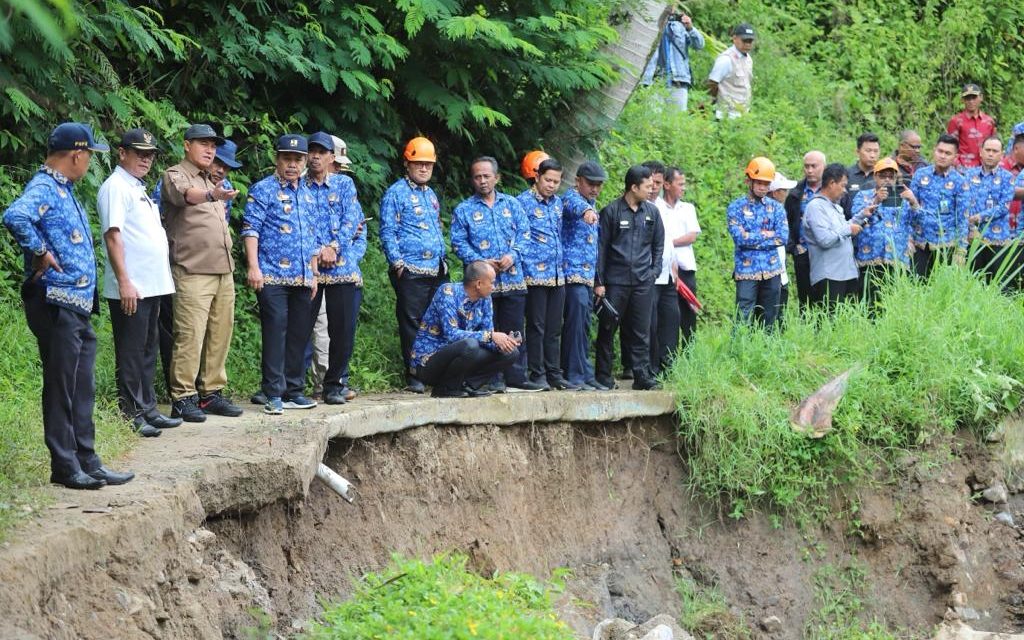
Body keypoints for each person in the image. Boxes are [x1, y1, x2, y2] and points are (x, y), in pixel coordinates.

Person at [3, 122, 134, 490]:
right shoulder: (44, 186)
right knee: (62, 385)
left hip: (76, 304)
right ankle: (64, 465)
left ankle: (87, 460)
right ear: (77, 154)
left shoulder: (64, 188)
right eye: (90, 155)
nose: (90, 162)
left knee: (81, 385)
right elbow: (14, 216)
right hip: (55, 301)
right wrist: (40, 251)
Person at [97, 128, 179, 438]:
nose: (145, 159)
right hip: (132, 285)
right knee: (131, 350)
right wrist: (124, 282)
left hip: (152, 283)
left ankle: (147, 409)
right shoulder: (115, 186)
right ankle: (130, 412)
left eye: (150, 154)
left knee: (148, 348)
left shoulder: (137, 187)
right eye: (139, 153)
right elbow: (113, 235)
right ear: (122, 153)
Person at [155, 137, 242, 396]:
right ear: (186, 145)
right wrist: (210, 194)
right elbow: (184, 196)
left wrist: (214, 191)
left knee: (220, 334)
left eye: (213, 147)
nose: (210, 153)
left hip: (223, 270)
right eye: (204, 145)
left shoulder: (214, 181)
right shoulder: (175, 175)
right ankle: (184, 396)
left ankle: (211, 392)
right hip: (192, 269)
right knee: (190, 336)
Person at [242, 134, 321, 414]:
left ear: (304, 162)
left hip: (302, 277)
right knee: (275, 332)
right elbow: (251, 229)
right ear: (277, 159)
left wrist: (313, 273)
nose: (292, 164)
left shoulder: (309, 194)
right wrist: (254, 266)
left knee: (299, 334)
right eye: (287, 158)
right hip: (272, 275)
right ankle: (272, 392)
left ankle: (293, 390)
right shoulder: (262, 189)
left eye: (297, 159)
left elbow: (313, 237)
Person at [450, 156, 536, 392]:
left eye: (486, 176)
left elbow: (526, 234)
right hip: (482, 285)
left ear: (496, 177)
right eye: (477, 177)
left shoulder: (512, 205)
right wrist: (479, 261)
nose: (482, 181)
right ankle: (491, 378)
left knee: (515, 328)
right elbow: (458, 242)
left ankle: (517, 376)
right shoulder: (464, 209)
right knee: (488, 331)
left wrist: (513, 255)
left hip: (513, 279)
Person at [379, 136, 449, 393]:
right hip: (411, 269)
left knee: (437, 321)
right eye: (418, 163)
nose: (423, 168)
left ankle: (436, 371)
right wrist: (397, 263)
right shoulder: (396, 192)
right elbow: (387, 230)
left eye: (428, 165)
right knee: (412, 323)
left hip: (436, 268)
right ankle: (415, 375)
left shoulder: (430, 193)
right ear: (407, 164)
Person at [594, 165, 664, 390]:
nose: (652, 189)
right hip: (616, 282)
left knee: (640, 330)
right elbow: (601, 249)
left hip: (643, 281)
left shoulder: (652, 212)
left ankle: (641, 376)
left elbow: (658, 245)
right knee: (607, 327)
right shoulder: (611, 211)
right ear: (633, 187)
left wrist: (654, 272)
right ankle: (603, 375)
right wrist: (599, 282)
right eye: (647, 186)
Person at [308, 132, 366, 405]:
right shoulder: (298, 185)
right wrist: (319, 252)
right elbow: (300, 222)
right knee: (301, 328)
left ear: (332, 157)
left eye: (322, 151)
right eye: (313, 151)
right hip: (310, 268)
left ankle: (335, 385)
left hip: (342, 268)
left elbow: (352, 220)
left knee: (342, 331)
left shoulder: (344, 184)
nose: (317, 156)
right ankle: (291, 385)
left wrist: (334, 248)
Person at [410, 261, 521, 398]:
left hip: (462, 359)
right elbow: (452, 334)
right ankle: (445, 388)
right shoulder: (447, 293)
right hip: (429, 363)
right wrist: (491, 336)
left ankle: (468, 385)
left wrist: (504, 342)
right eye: (492, 282)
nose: (494, 286)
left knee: (511, 353)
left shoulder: (485, 299)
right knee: (470, 345)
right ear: (479, 284)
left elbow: (487, 337)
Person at [518, 158, 577, 390]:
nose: (552, 185)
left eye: (556, 181)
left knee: (554, 328)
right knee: (536, 326)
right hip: (534, 274)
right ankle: (537, 372)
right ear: (537, 177)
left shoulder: (557, 204)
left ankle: (554, 373)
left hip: (557, 274)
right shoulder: (522, 202)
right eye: (548, 180)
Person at [560, 160, 608, 391]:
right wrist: (586, 211)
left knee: (584, 326)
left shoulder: (592, 203)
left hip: (587, 277)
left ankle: (583, 372)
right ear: (578, 181)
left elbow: (593, 248)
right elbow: (573, 205)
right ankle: (573, 375)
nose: (595, 189)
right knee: (575, 325)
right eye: (591, 184)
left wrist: (598, 281)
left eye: (599, 185)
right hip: (572, 275)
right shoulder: (571, 199)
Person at [727, 157, 788, 327]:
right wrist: (768, 235)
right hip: (746, 270)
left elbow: (782, 237)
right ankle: (739, 351)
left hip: (772, 269)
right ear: (749, 181)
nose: (763, 187)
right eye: (759, 183)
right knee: (743, 316)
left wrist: (751, 235)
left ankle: (767, 351)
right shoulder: (736, 207)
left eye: (766, 184)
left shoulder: (776, 208)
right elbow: (739, 238)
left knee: (770, 317)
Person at [652, 166, 700, 372]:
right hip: (664, 271)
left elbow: (692, 236)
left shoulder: (687, 208)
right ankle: (665, 361)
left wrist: (668, 242)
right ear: (667, 185)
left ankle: (690, 359)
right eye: (680, 184)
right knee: (668, 316)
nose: (683, 188)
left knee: (689, 315)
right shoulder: (656, 207)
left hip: (686, 268)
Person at [850, 157, 916, 304]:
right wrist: (876, 201)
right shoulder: (863, 195)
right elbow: (856, 217)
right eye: (883, 176)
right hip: (870, 260)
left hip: (897, 259)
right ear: (875, 176)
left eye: (891, 176)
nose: (887, 180)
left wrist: (913, 202)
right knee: (869, 302)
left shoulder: (903, 197)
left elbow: (918, 222)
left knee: (893, 304)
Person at [909, 133, 970, 277]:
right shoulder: (920, 175)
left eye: (948, 153)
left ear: (955, 157)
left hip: (946, 244)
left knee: (942, 289)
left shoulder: (960, 182)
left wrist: (961, 251)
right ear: (934, 150)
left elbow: (962, 219)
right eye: (940, 151)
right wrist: (908, 237)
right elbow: (909, 209)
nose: (942, 156)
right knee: (916, 287)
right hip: (920, 243)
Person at [803, 163, 863, 309]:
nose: (844, 191)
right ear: (831, 183)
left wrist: (862, 215)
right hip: (829, 276)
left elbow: (841, 229)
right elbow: (825, 239)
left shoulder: (835, 207)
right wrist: (849, 229)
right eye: (842, 186)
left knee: (848, 322)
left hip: (846, 273)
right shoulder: (815, 206)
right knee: (831, 322)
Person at [966, 136, 1016, 282]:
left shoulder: (1008, 178)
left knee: (997, 283)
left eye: (995, 151)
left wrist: (978, 217)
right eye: (987, 150)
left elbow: (1004, 207)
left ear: (1001, 155)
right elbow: (963, 202)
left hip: (997, 239)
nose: (990, 154)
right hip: (972, 239)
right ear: (980, 152)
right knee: (973, 281)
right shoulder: (968, 175)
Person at [640, 5, 705, 111]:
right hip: (654, 82)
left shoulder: (680, 25)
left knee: (677, 124)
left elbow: (699, 45)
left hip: (678, 82)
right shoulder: (647, 21)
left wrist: (690, 28)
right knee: (652, 123)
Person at [784, 150, 826, 307]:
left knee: (827, 296)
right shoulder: (796, 193)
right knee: (806, 298)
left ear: (823, 167)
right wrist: (793, 247)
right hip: (803, 252)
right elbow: (786, 222)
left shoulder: (832, 188)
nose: (809, 170)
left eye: (814, 166)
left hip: (827, 252)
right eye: (806, 166)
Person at [707, 23, 755, 119]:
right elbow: (712, 82)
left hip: (743, 114)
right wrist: (713, 102)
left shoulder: (748, 59)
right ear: (734, 39)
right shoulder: (726, 59)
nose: (747, 44)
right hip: (725, 115)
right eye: (744, 40)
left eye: (750, 41)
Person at [767, 172, 798, 316]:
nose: (786, 194)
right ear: (774, 193)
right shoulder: (771, 212)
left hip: (780, 268)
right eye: (783, 190)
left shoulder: (779, 210)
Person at [946, 83, 997, 169]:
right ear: (963, 100)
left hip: (985, 167)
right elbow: (950, 146)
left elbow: (994, 145)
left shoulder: (989, 121)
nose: (971, 101)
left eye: (974, 97)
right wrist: (958, 166)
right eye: (967, 98)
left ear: (981, 97)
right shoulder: (956, 121)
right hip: (963, 168)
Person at [842, 132, 880, 218]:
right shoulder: (846, 175)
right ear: (857, 152)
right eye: (868, 151)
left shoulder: (884, 177)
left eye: (876, 151)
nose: (872, 155)